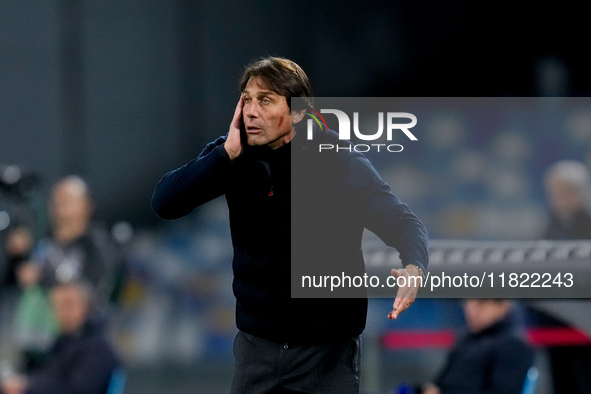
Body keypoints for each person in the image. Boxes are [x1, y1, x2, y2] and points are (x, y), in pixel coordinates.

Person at [151, 56, 429, 393]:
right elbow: (165, 203)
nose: (251, 111)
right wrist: (222, 156)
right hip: (257, 352)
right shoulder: (232, 155)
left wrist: (414, 266)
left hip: (324, 353)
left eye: (265, 100)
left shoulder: (338, 160)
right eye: (247, 99)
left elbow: (401, 220)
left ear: (297, 112)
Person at [1, 280, 121, 394]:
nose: (62, 312)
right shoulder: (66, 339)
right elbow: (49, 374)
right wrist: (25, 383)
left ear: (87, 305)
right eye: (56, 305)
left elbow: (76, 390)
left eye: (68, 304)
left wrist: (28, 389)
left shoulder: (99, 347)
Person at [420, 299, 534, 394]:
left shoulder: (513, 346)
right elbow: (440, 384)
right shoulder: (466, 340)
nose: (471, 310)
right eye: (468, 302)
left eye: (481, 303)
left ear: (502, 306)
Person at [543, 159, 591, 240]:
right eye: (553, 194)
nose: (556, 200)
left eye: (562, 193)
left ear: (578, 193)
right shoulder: (554, 223)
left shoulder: (587, 221)